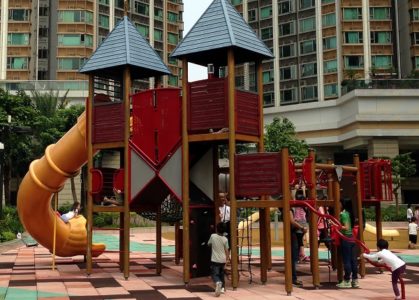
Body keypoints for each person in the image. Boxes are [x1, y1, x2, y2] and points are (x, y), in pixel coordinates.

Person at [337, 200, 359, 288]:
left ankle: (346, 280)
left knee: (346, 260)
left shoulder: (343, 214)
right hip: (352, 238)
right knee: (353, 260)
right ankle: (355, 280)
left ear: (343, 204)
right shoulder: (350, 214)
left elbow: (345, 227)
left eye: (340, 202)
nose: (339, 204)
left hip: (346, 238)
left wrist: (336, 225)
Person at [208, 222, 229, 297]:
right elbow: (227, 250)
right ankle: (222, 288)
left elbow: (209, 244)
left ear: (216, 229)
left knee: (214, 274)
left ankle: (218, 282)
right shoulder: (225, 239)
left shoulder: (213, 236)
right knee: (221, 274)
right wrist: (227, 260)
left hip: (215, 259)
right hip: (223, 260)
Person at [290, 209, 307, 287]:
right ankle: (293, 279)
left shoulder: (293, 209)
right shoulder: (289, 209)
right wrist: (302, 227)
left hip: (296, 233)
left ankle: (293, 278)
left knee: (294, 257)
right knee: (293, 258)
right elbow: (292, 221)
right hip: (294, 234)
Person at [294, 191, 309, 262]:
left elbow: (296, 218)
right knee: (300, 240)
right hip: (304, 224)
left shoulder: (297, 207)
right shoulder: (304, 207)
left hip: (299, 224)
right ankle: (301, 255)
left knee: (299, 241)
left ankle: (301, 255)